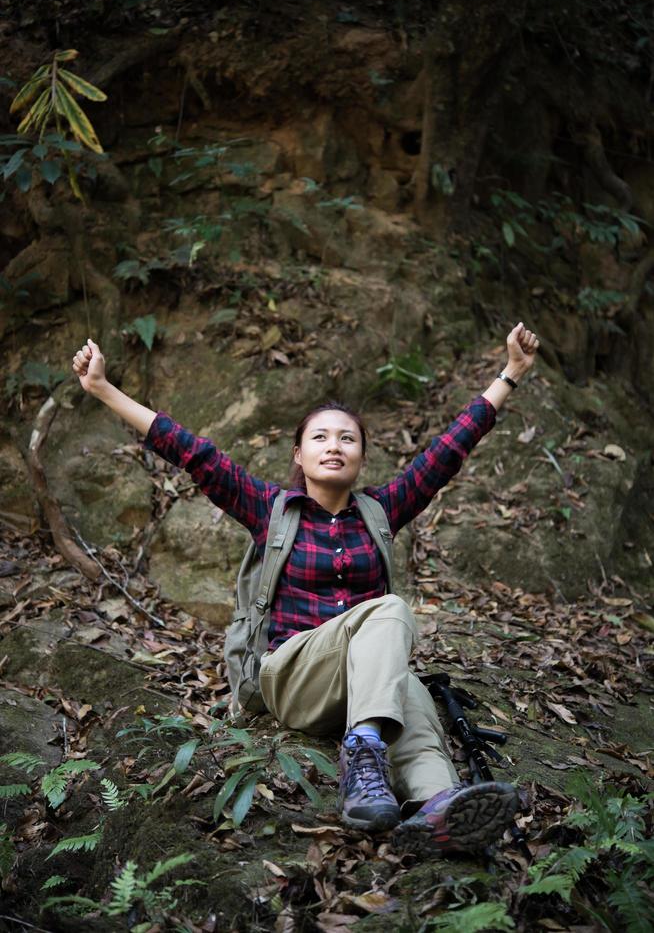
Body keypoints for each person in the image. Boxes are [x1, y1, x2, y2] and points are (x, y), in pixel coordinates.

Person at [72, 321, 539, 854]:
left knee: (412, 696)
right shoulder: (270, 510)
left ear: (362, 456)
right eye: (320, 437)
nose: (334, 446)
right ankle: (363, 757)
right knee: (388, 611)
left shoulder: (381, 511)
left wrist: (511, 373)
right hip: (291, 677)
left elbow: (447, 451)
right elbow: (191, 451)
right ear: (298, 454)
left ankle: (438, 810)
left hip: (361, 688)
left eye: (348, 438)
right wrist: (104, 389)